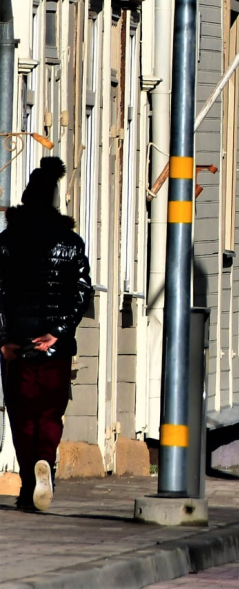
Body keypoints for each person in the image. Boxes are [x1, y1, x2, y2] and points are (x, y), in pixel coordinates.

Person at [0, 158, 91, 511]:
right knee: (50, 413)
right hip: (55, 346)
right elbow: (82, 292)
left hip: (16, 345)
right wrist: (58, 332)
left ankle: (27, 484)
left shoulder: (6, 243)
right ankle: (44, 461)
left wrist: (4, 337)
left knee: (21, 414)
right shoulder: (70, 243)